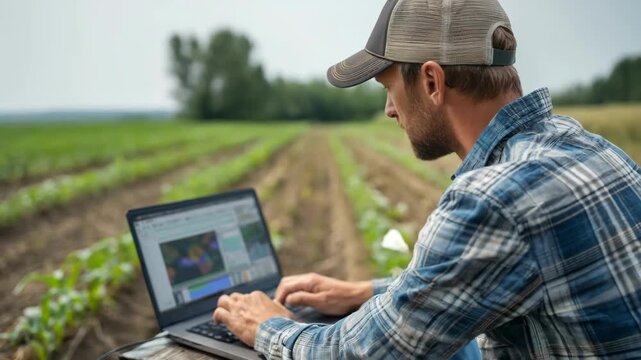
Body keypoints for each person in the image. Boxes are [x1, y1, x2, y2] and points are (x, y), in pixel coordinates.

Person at [213, 0, 641, 358]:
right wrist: (368, 291)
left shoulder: (494, 198)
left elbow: (360, 353)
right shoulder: (587, 145)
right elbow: (489, 271)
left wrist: (267, 327)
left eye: (389, 88)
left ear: (433, 82)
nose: (390, 110)